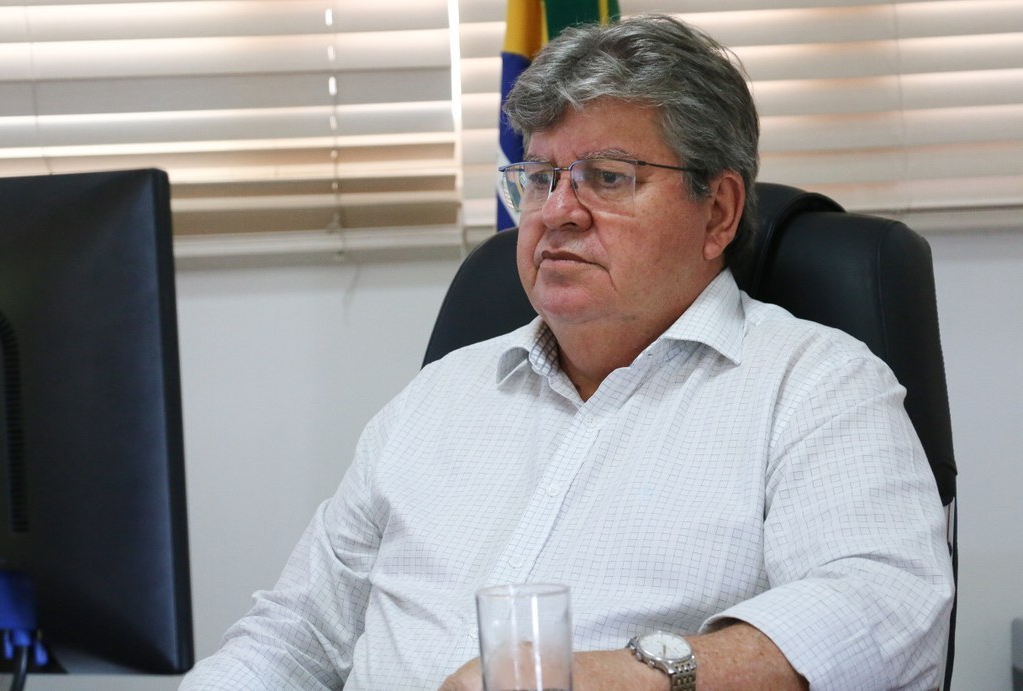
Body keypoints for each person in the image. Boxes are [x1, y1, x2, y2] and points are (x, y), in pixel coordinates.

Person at [180, 13, 954, 691]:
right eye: (540, 177)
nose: (556, 212)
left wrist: (606, 676)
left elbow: (885, 610)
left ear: (717, 211)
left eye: (606, 177)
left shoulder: (816, 385)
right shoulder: (440, 393)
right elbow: (295, 632)